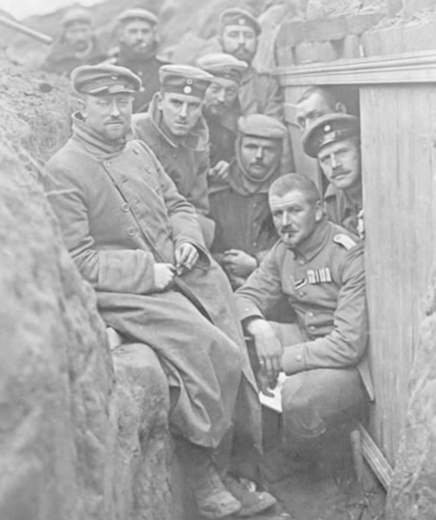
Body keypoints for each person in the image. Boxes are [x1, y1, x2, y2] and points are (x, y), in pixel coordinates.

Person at [44, 63, 270, 519]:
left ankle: (241, 465)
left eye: (123, 103)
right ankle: (202, 478)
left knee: (232, 335)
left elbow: (179, 204)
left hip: (180, 269)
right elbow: (77, 261)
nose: (115, 112)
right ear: (81, 107)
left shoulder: (138, 150)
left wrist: (187, 239)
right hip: (128, 291)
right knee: (207, 349)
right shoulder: (64, 169)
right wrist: (150, 272)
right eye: (103, 103)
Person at [235, 173, 373, 464]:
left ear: (319, 210)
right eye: (277, 213)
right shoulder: (282, 251)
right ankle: (256, 450)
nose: (285, 222)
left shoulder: (346, 254)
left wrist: (283, 359)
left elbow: (348, 345)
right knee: (235, 343)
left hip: (349, 366)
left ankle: (306, 472)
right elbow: (243, 298)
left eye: (295, 211)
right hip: (306, 339)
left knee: (299, 399)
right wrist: (260, 329)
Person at [132, 64, 216, 247]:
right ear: (160, 101)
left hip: (181, 235)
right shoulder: (132, 132)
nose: (184, 114)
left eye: (193, 105)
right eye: (176, 103)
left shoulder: (198, 144)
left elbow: (198, 208)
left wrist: (188, 240)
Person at [209, 114, 287, 289]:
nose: (259, 156)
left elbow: (302, 248)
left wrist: (256, 262)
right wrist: (226, 262)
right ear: (238, 147)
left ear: (280, 153)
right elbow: (197, 246)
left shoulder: (286, 195)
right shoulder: (215, 192)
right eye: (251, 147)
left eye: (268, 149)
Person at [302, 113, 364, 238]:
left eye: (341, 153)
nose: (335, 165)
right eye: (325, 159)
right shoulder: (332, 199)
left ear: (360, 150)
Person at [218, 7, 284, 123]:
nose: (241, 42)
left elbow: (272, 126)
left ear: (257, 43)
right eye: (233, 35)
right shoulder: (205, 79)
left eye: (248, 36)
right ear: (221, 41)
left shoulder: (267, 84)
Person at [197, 52, 247, 186]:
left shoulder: (238, 128)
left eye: (230, 91)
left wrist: (231, 167)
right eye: (215, 89)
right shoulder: (181, 118)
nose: (221, 98)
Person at [109, 8, 169, 113]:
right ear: (122, 35)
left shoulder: (166, 72)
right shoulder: (108, 71)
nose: (139, 37)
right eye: (133, 31)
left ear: (154, 35)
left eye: (145, 32)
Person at [42, 7, 107, 76]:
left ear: (92, 31)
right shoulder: (52, 61)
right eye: (73, 32)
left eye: (84, 30)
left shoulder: (106, 57)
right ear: (65, 34)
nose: (79, 36)